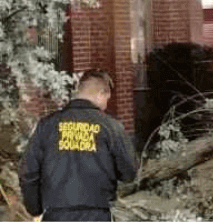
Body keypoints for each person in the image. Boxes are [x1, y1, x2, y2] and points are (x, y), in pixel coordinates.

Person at [19, 70, 137, 221]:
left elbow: (28, 172)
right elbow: (129, 172)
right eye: (107, 99)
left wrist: (34, 208)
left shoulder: (47, 126)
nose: (106, 105)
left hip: (56, 214)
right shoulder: (111, 127)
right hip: (97, 215)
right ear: (101, 94)